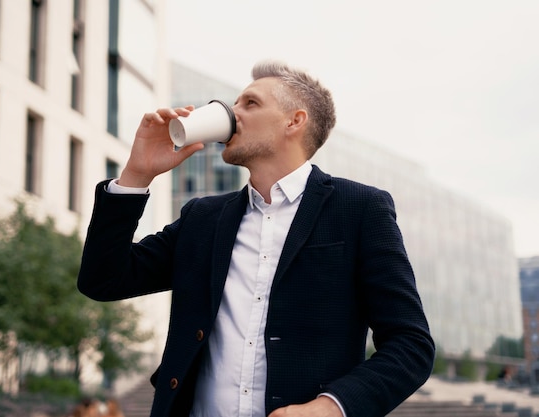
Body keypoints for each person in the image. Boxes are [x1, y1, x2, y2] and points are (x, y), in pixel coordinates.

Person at [77, 60, 435, 417]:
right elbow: (104, 280)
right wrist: (136, 175)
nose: (233, 115)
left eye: (250, 103)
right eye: (235, 105)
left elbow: (410, 345)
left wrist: (330, 408)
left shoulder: (359, 209)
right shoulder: (203, 218)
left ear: (294, 121)